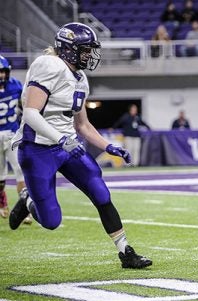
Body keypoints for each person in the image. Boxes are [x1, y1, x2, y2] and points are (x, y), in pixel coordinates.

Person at [9, 22, 152, 269]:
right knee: (51, 220)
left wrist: (109, 146)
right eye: (85, 50)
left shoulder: (80, 79)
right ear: (68, 49)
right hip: (37, 148)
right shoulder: (48, 65)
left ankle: (125, 252)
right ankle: (26, 200)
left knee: (101, 192)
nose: (90, 55)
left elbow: (83, 125)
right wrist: (61, 139)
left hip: (67, 146)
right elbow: (31, 114)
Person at [0, 55, 31, 224]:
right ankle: (2, 200)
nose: (1, 76)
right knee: (0, 177)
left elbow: (25, 105)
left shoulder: (15, 85)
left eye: (3, 72)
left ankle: (24, 209)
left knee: (21, 172)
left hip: (12, 134)